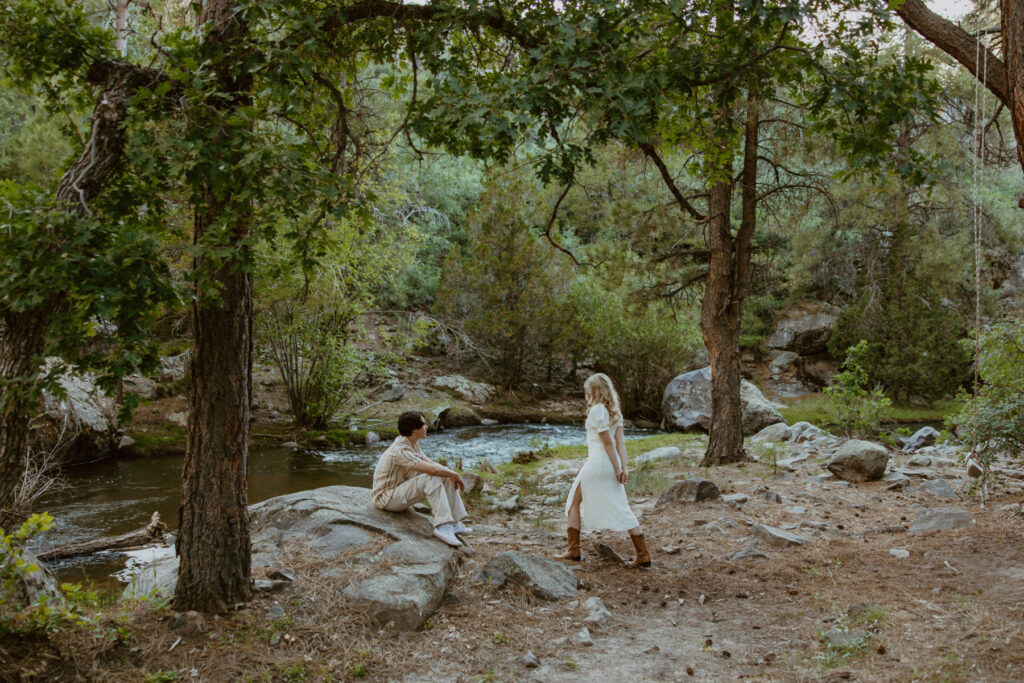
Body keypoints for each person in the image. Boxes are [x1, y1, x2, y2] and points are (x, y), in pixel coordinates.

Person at [556, 373, 650, 568]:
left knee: (573, 502)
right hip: (609, 464)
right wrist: (624, 467)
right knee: (622, 507)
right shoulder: (614, 411)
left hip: (598, 463)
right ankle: (643, 554)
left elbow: (608, 443)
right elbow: (620, 443)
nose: (586, 394)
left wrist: (618, 470)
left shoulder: (597, 410)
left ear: (594, 391)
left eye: (587, 390)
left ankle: (574, 549)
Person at [371, 411, 471, 547]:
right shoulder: (400, 451)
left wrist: (450, 473)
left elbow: (432, 464)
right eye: (423, 424)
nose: (427, 427)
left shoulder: (412, 444)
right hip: (386, 499)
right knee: (432, 477)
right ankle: (442, 526)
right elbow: (432, 470)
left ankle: (454, 522)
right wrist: (455, 475)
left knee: (444, 475)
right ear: (414, 430)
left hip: (398, 493)